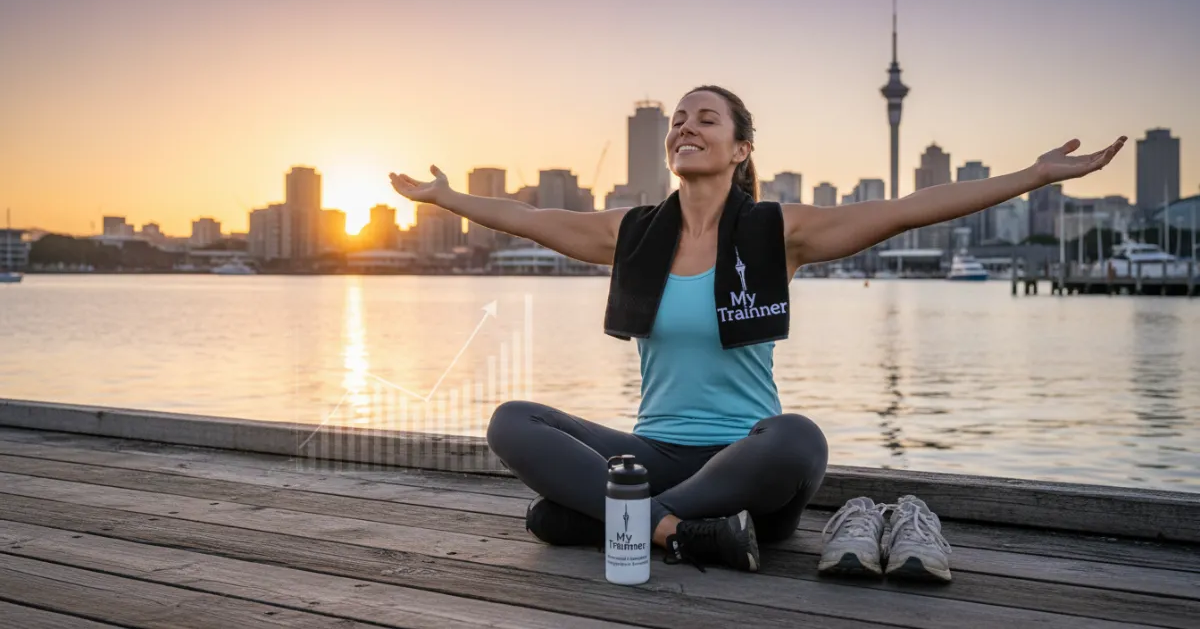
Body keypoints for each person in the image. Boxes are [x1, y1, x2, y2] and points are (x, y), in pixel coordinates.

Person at [390, 85, 1126, 575]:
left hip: (747, 461)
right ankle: (674, 531)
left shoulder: (780, 232)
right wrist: (443, 195)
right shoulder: (635, 233)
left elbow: (909, 207)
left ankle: (629, 523)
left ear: (741, 148)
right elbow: (532, 219)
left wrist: (1034, 176)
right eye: (678, 119)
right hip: (655, 453)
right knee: (513, 420)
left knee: (798, 437)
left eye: (705, 118)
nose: (685, 126)